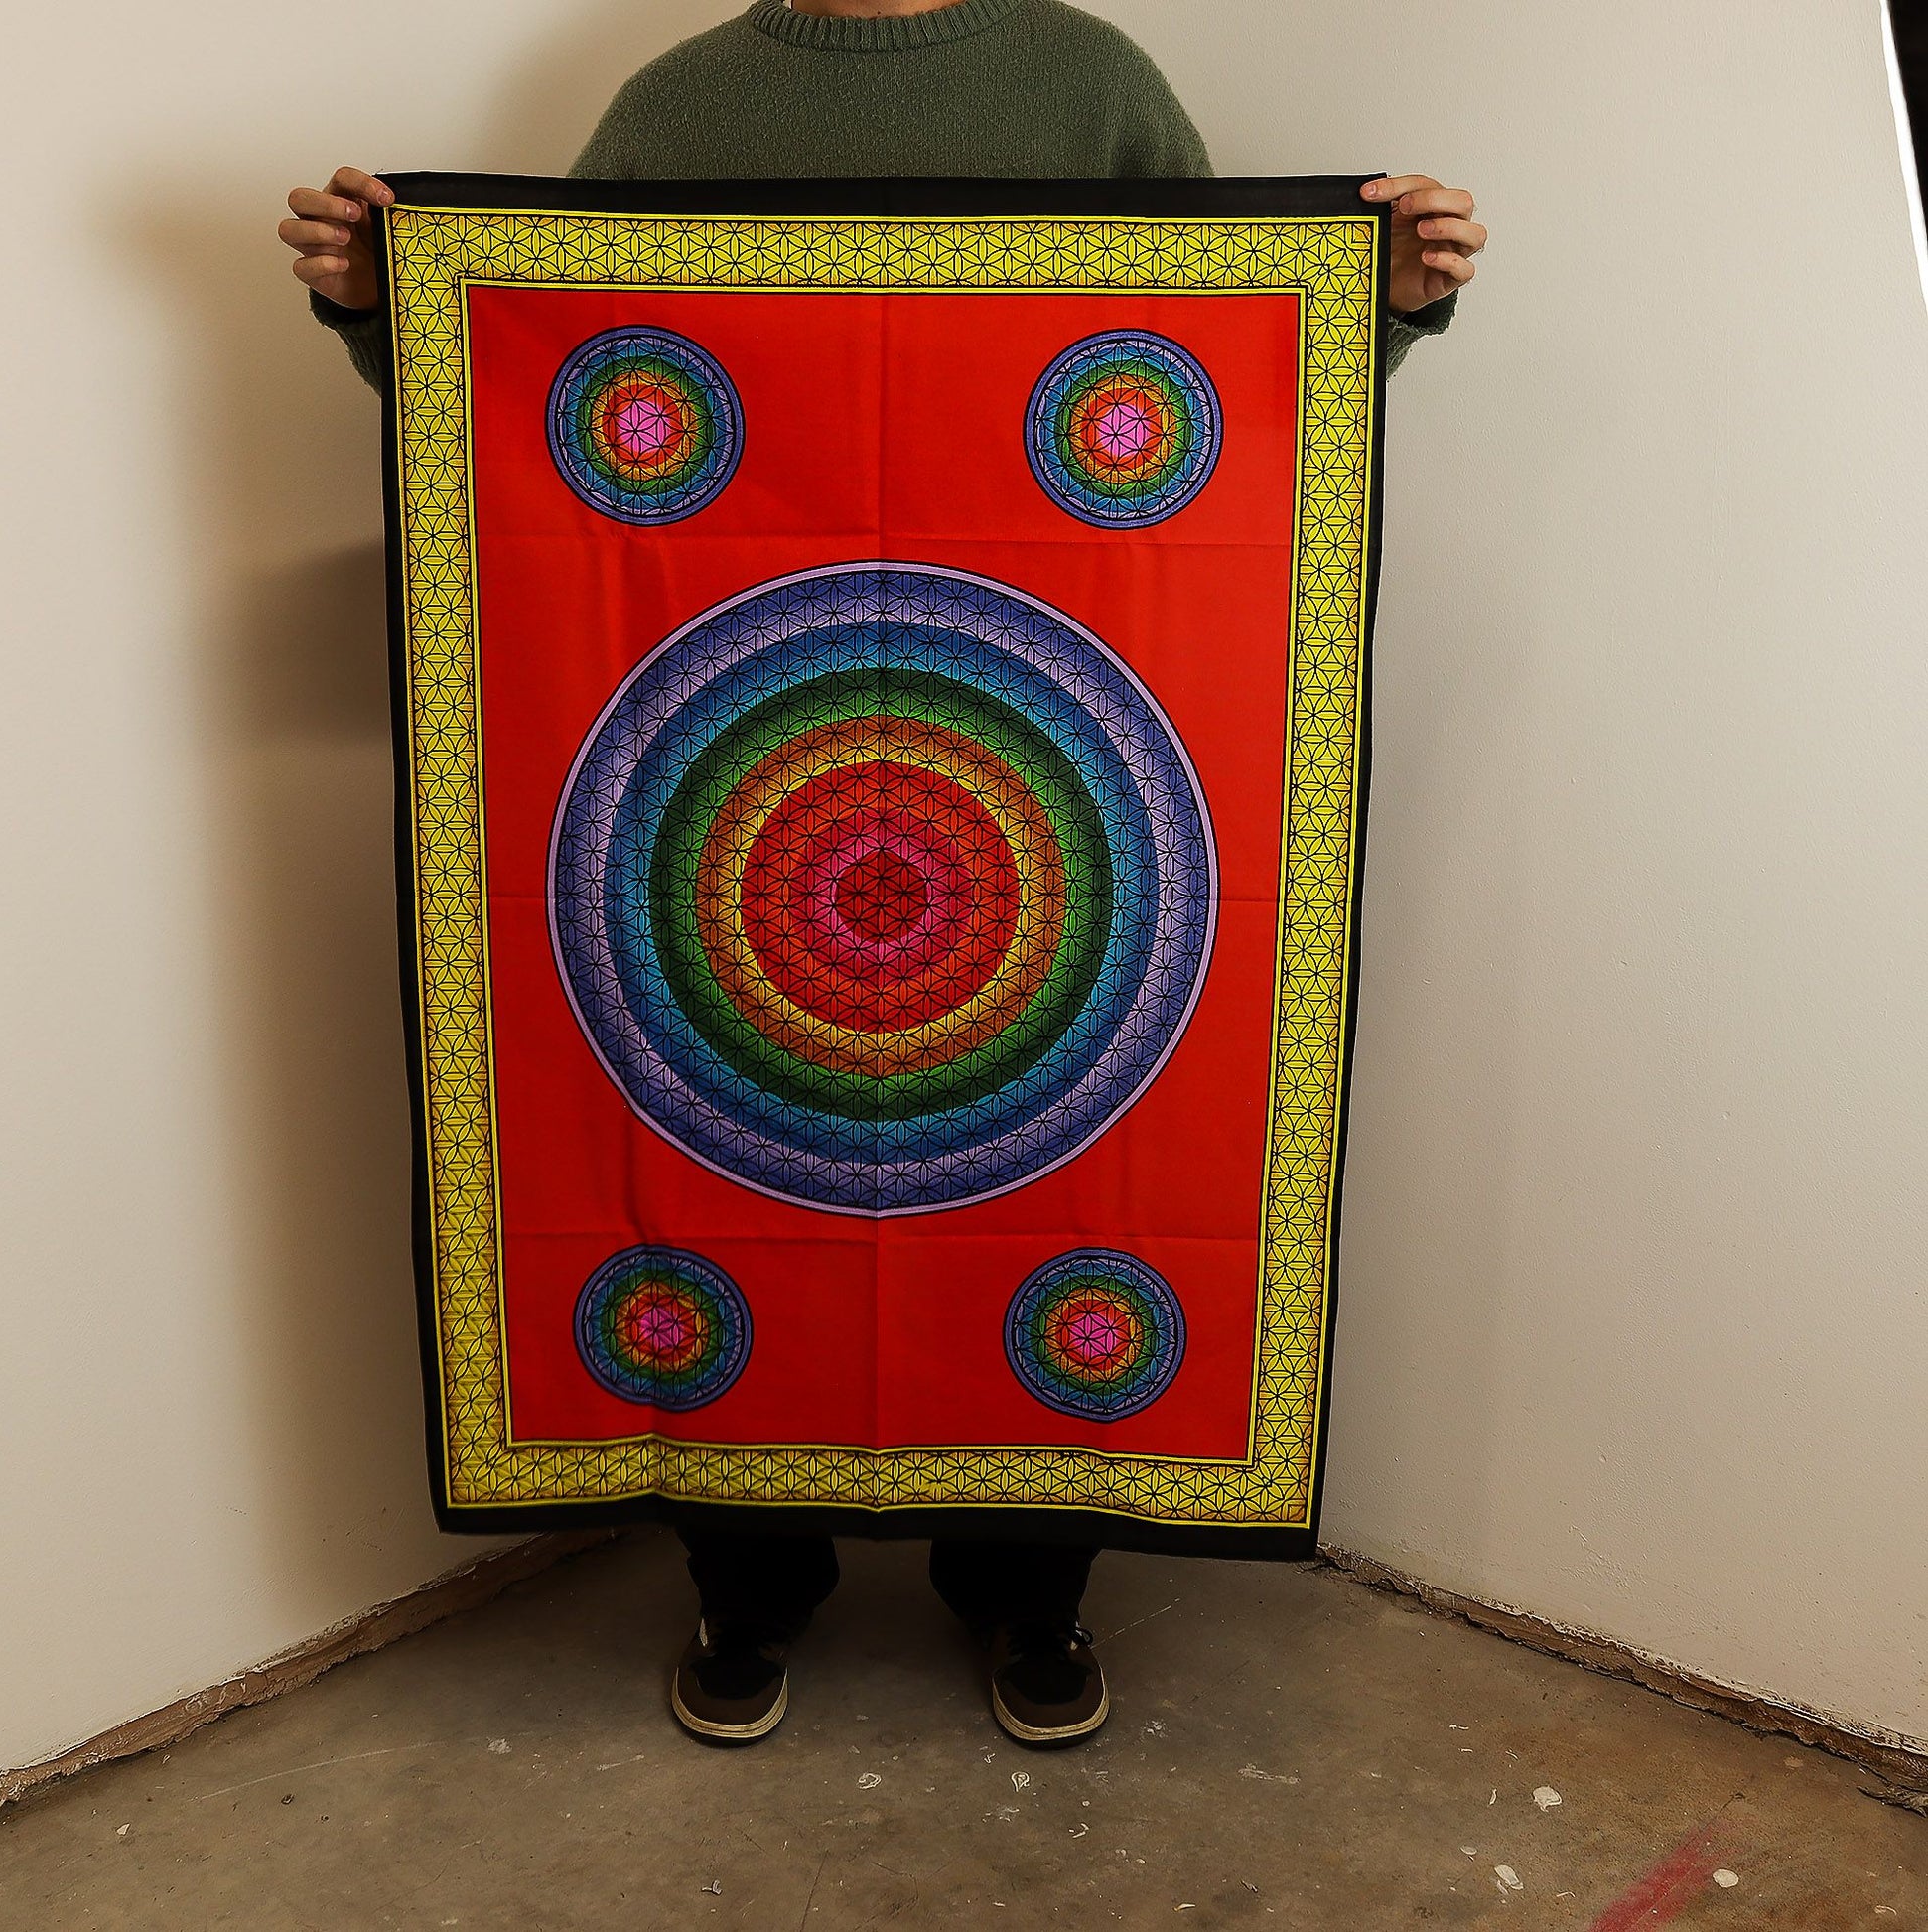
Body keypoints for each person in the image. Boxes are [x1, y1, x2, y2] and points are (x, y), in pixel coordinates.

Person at [280, 0, 1486, 1751]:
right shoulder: (678, 105)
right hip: (726, 761)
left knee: (1065, 1183)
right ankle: (745, 1585)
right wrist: (378, 305)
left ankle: (1031, 1590)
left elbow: (1227, 368)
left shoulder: (1092, 86)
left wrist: (1383, 302)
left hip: (1033, 769)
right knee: (695, 1159)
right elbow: (537, 376)